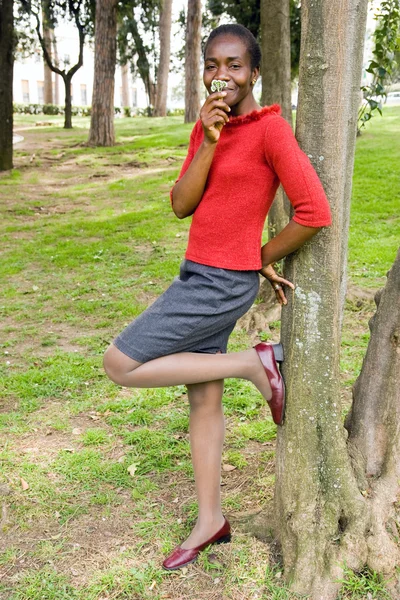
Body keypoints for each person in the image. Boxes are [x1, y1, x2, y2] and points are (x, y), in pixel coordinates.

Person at [103, 24, 331, 570]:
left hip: (219, 282)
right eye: (212, 64)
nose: (221, 76)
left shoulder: (271, 130)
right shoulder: (210, 126)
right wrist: (207, 141)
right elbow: (182, 203)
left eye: (234, 65)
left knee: (120, 363)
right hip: (197, 272)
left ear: (254, 72)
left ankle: (255, 364)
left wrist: (259, 258)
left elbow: (314, 213)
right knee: (203, 399)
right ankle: (211, 521)